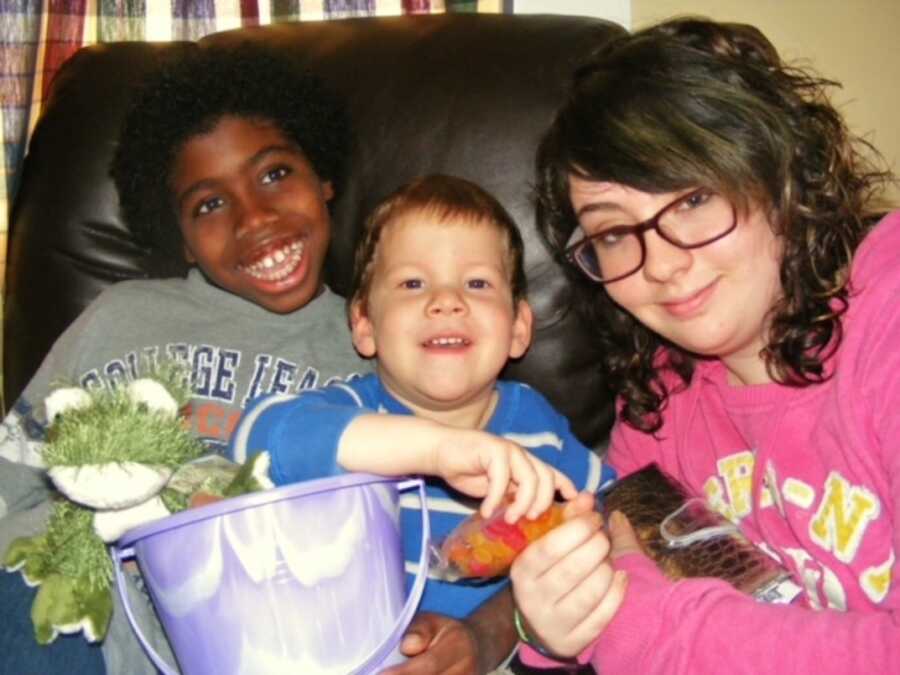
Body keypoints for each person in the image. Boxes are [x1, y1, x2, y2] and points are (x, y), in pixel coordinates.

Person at [507, 16, 899, 674]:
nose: (659, 265)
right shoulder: (658, 405)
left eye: (690, 198)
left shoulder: (888, 315)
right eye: (611, 233)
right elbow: (617, 591)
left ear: (779, 171)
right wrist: (553, 631)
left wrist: (642, 625)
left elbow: (640, 620)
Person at [0, 43, 371, 675]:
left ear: (325, 177)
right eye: (210, 204)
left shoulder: (374, 345)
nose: (256, 217)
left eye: (275, 173)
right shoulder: (121, 315)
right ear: (183, 244)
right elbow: (13, 476)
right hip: (47, 591)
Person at [229, 174, 614, 673]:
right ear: (364, 325)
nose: (447, 300)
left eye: (477, 283)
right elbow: (256, 439)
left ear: (519, 328)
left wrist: (581, 528)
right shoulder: (353, 414)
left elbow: (607, 505)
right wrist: (438, 450)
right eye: (413, 284)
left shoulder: (537, 426)